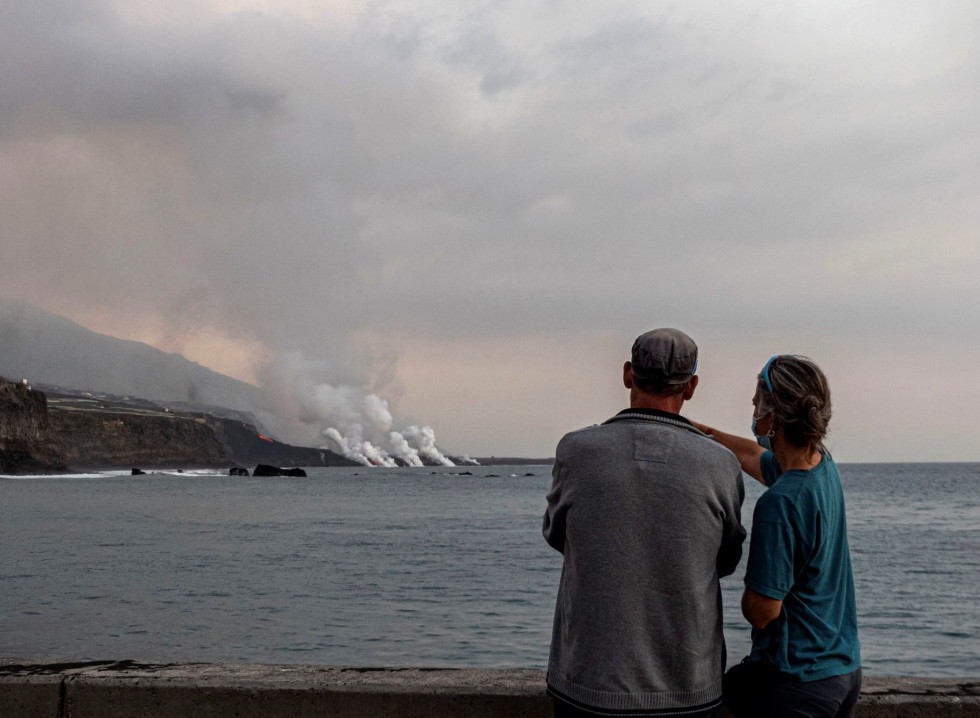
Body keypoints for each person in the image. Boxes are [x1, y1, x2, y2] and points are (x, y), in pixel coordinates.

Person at [543, 328, 746, 718]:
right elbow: (725, 561)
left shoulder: (575, 451)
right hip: (688, 690)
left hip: (588, 686)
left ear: (627, 375)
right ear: (691, 388)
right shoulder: (721, 463)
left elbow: (557, 536)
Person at [693, 355, 861, 718]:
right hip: (841, 671)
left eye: (756, 405)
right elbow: (753, 454)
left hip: (795, 683)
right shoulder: (821, 466)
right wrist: (701, 432)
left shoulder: (779, 504)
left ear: (772, 418)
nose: (752, 412)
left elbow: (762, 613)